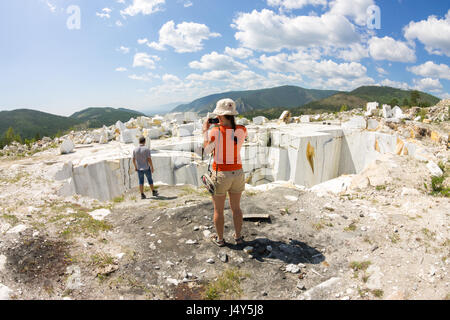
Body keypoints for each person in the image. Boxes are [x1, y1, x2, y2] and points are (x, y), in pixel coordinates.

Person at [203, 98, 248, 247]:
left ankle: (220, 239)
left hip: (221, 173)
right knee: (236, 208)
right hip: (238, 173)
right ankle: (238, 237)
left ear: (220, 116)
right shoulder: (242, 130)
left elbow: (207, 151)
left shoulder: (215, 131)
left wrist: (205, 130)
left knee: (219, 210)